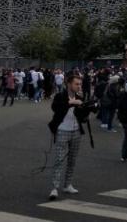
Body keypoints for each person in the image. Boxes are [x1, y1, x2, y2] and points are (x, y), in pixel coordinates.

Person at [47, 73, 91, 201]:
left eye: (80, 84)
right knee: (59, 160)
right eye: (76, 84)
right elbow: (56, 109)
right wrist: (71, 103)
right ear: (69, 84)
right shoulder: (60, 96)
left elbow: (82, 118)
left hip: (76, 131)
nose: (79, 86)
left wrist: (86, 108)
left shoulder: (80, 97)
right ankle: (54, 188)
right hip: (62, 131)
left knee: (72, 160)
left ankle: (67, 185)